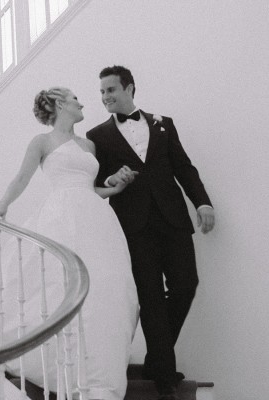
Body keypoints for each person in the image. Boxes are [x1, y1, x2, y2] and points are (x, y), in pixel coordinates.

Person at [0, 87, 139, 400]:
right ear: (59, 103)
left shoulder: (88, 144)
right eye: (74, 97)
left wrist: (115, 189)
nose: (81, 102)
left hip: (96, 218)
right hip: (62, 214)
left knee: (103, 286)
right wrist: (2, 206)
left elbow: (92, 189)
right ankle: (59, 364)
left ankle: (96, 368)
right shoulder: (42, 142)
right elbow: (21, 178)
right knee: (59, 282)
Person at [86, 66, 215, 400]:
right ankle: (165, 379)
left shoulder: (163, 124)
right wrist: (115, 179)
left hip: (173, 219)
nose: (105, 97)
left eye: (111, 90)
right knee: (152, 298)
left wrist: (202, 203)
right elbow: (96, 183)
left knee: (186, 285)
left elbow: (183, 167)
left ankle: (157, 359)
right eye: (101, 92)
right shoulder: (97, 136)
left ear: (129, 88)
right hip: (134, 225)